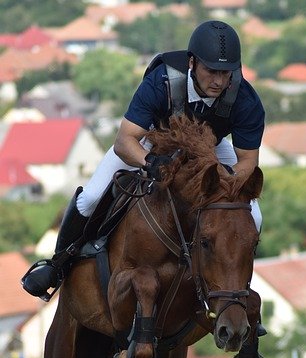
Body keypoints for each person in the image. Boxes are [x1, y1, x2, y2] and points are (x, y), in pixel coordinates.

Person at [22, 20, 265, 300]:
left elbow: (248, 161)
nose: (220, 81)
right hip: (153, 138)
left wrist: (224, 182)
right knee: (89, 199)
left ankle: (238, 292)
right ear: (191, 63)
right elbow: (124, 141)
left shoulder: (244, 98)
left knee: (253, 215)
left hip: (211, 145)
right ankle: (58, 266)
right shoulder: (162, 81)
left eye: (226, 72)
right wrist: (151, 162)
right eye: (211, 71)